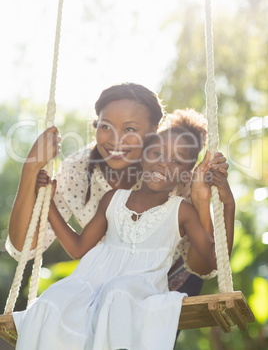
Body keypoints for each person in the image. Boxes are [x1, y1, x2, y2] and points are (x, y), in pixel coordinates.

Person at [12, 114, 235, 350]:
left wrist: (228, 204)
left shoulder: (182, 211)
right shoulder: (113, 199)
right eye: (157, 153)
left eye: (177, 161)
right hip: (92, 281)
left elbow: (215, 259)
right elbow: (78, 248)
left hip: (138, 288)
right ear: (142, 157)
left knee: (117, 293)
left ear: (186, 176)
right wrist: (48, 202)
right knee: (52, 301)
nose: (163, 163)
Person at [6, 83, 228, 294]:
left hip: (170, 281)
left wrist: (201, 201)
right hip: (107, 282)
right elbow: (24, 248)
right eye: (105, 127)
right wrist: (30, 169)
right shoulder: (78, 170)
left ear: (154, 132)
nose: (115, 140)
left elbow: (202, 267)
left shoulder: (173, 176)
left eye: (129, 128)